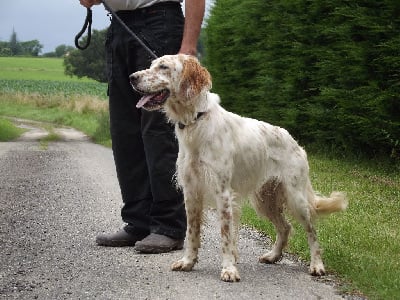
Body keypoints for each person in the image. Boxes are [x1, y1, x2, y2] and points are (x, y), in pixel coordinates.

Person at [79, 0, 205, 253]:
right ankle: (138, 221)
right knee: (125, 131)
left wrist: (188, 46)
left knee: (159, 133)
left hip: (160, 22)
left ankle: (169, 226)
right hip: (119, 26)